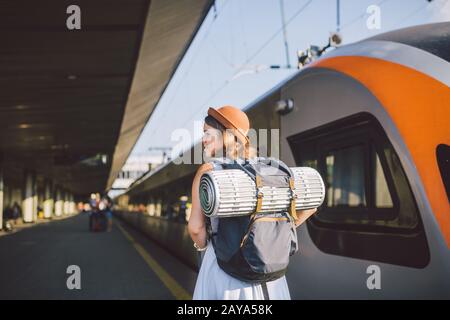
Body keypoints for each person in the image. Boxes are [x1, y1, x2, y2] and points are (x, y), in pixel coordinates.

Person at [188, 105, 317, 300]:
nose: (203, 140)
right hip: (271, 279)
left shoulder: (209, 171)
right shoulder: (270, 168)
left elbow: (196, 229)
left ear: (227, 134)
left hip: (225, 272)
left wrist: (203, 246)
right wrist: (274, 231)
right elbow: (310, 205)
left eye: (207, 132)